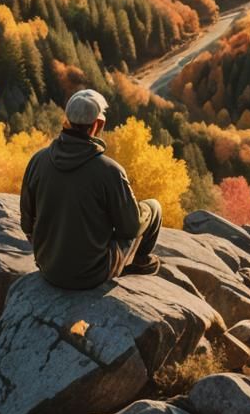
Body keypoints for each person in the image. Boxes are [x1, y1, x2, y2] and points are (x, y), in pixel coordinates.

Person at [19, 88, 162, 289]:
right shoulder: (110, 171)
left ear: (66, 120)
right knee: (153, 208)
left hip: (48, 270)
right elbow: (129, 227)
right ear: (98, 124)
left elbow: (27, 223)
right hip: (91, 275)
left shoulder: (37, 161)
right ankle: (139, 262)